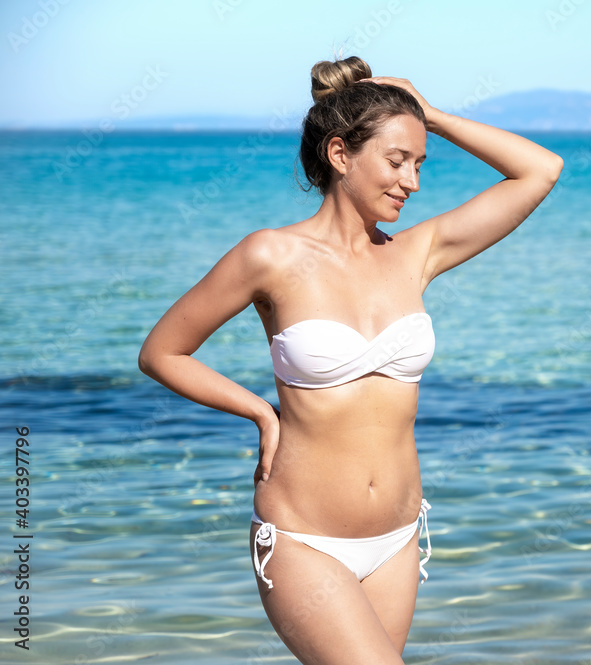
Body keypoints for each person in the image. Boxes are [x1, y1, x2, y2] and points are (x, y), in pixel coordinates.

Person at [137, 55, 563, 664]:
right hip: (303, 539)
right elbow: (163, 352)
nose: (412, 182)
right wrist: (260, 412)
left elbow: (540, 170)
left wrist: (431, 116)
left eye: (419, 164)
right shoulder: (271, 256)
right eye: (396, 160)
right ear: (340, 154)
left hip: (398, 539)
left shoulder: (417, 253)